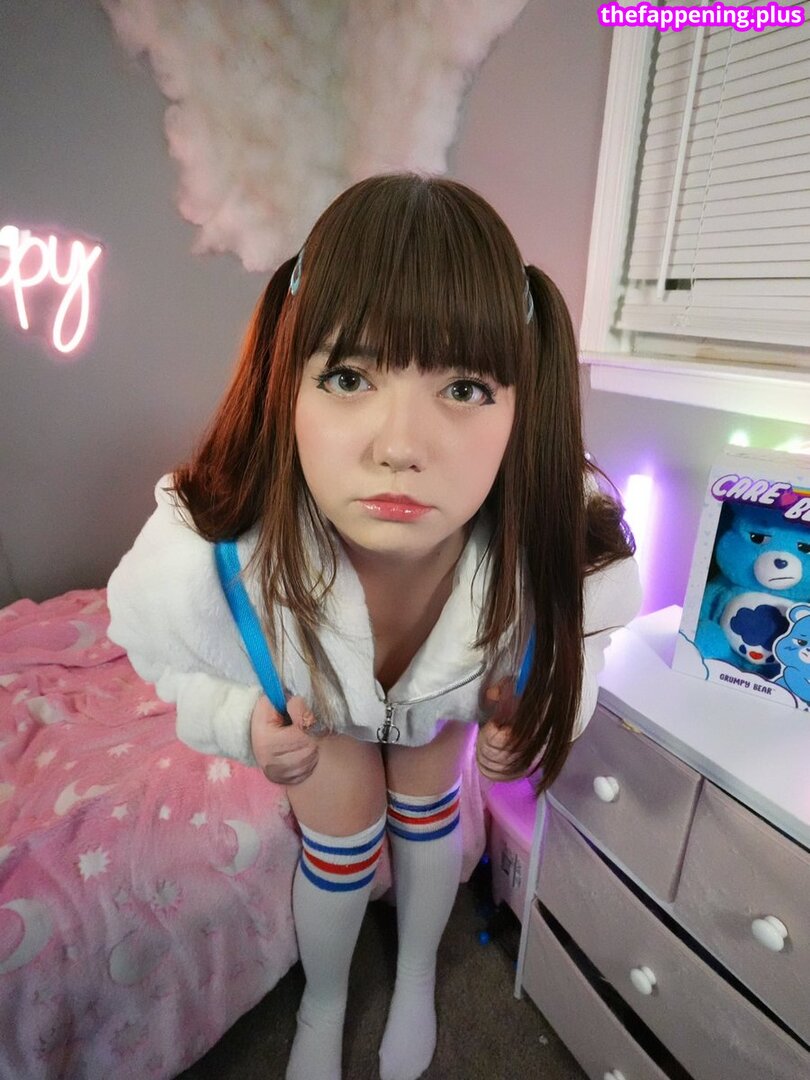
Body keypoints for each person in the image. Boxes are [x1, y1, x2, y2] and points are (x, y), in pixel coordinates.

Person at [106, 173, 641, 1080]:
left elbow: (582, 647)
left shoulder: (558, 547)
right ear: (288, 385)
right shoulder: (210, 557)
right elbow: (166, 658)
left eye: (464, 387)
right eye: (349, 378)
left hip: (439, 709)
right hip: (323, 713)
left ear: (522, 404)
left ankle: (417, 975)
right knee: (339, 831)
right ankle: (324, 1000)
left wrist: (543, 717)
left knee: (431, 811)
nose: (400, 445)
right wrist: (238, 725)